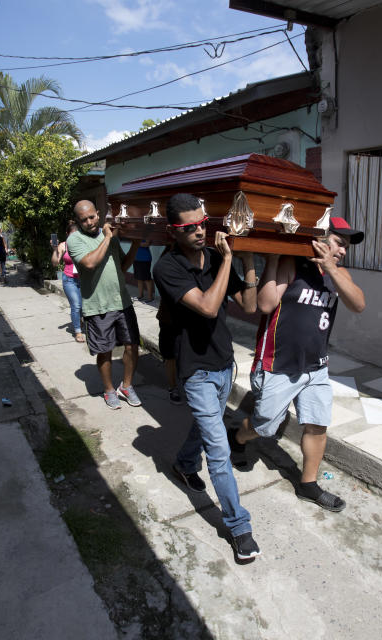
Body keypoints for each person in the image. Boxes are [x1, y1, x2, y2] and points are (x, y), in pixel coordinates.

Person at [230, 217, 366, 512]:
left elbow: (359, 304)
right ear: (320, 238)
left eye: (346, 247)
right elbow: (265, 305)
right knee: (265, 428)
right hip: (278, 365)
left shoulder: (338, 275)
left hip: (316, 367)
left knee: (317, 425)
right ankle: (238, 435)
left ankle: (308, 484)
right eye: (339, 243)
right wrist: (275, 257)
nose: (343, 251)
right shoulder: (293, 264)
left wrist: (331, 267)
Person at [152, 193, 260, 561]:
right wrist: (229, 258)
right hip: (195, 370)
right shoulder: (167, 268)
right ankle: (239, 527)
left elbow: (249, 305)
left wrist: (246, 261)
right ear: (172, 231)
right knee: (218, 448)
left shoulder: (215, 257)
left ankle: (183, 464)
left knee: (206, 425)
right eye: (189, 227)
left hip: (224, 363)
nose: (199, 230)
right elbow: (209, 307)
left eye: (202, 223)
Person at [66, 200, 142, 408]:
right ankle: (109, 390)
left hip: (122, 301)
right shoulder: (75, 240)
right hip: (97, 305)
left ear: (98, 214)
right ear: (78, 222)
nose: (90, 222)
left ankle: (126, 386)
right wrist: (108, 237)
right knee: (105, 350)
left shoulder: (110, 238)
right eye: (84, 220)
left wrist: (135, 245)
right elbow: (89, 263)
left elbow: (124, 265)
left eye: (92, 217)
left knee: (132, 346)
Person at [52, 222, 85, 343]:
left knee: (83, 305)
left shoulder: (84, 244)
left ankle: (80, 321)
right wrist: (55, 249)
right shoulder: (63, 246)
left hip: (84, 279)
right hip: (69, 279)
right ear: (67, 235)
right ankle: (78, 331)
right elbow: (55, 263)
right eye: (72, 235)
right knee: (76, 305)